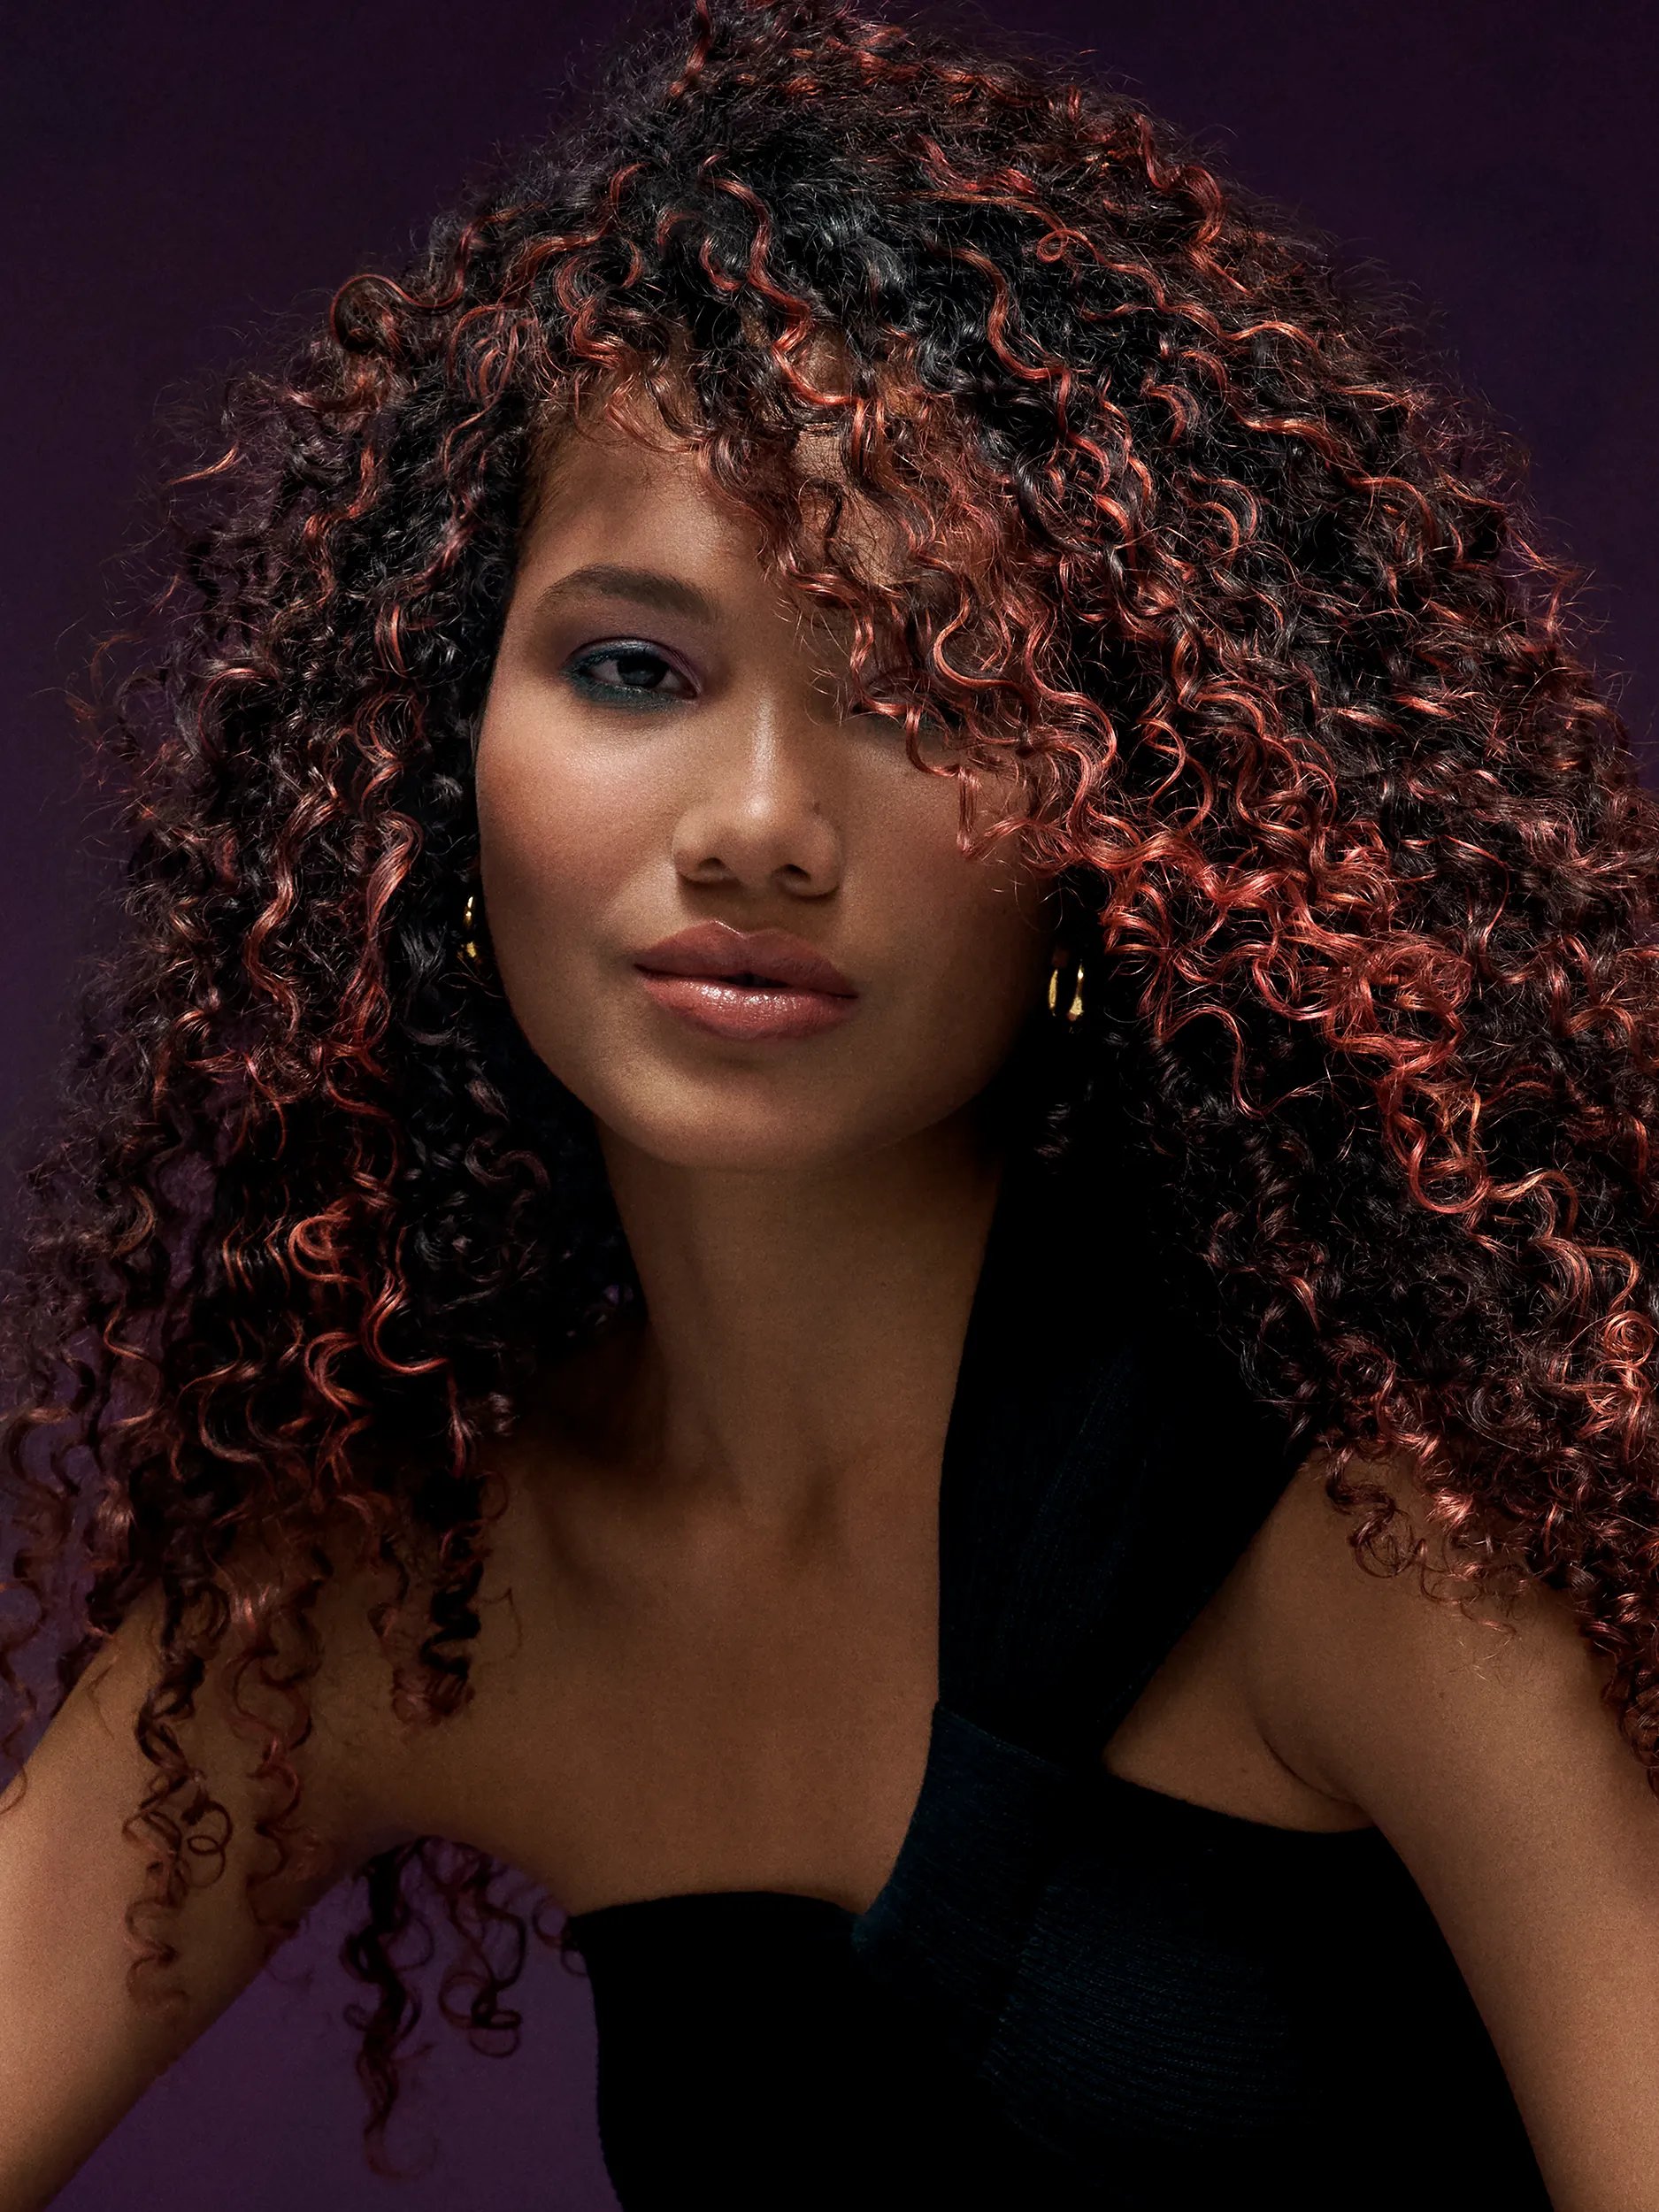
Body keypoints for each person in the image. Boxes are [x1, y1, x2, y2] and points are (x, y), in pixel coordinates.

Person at [2, 0, 1656, 2203]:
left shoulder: (1356, 1539)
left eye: (916, 688)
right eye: (632, 669)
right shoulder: (406, 1582)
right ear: (431, 746)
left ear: (1113, 812)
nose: (760, 824)